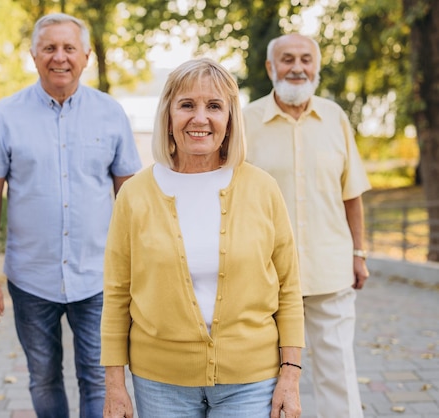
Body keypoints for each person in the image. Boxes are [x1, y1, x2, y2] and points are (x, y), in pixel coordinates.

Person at [101, 58, 305, 418]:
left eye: (214, 106)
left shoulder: (262, 188)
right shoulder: (134, 195)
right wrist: (115, 385)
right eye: (186, 105)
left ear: (230, 119)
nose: (200, 118)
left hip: (252, 380)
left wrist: (290, 373)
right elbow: (117, 293)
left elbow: (288, 287)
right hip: (160, 381)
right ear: (167, 116)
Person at [0, 13, 142, 418]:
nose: (59, 57)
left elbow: (132, 197)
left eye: (69, 48)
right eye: (49, 48)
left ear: (85, 56)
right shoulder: (6, 115)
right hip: (32, 279)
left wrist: (142, 270)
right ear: (34, 55)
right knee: (43, 378)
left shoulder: (111, 113)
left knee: (99, 379)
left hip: (99, 278)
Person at [243, 33, 372, 418]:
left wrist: (359, 253)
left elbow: (352, 194)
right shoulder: (245, 120)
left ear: (316, 67)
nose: (297, 67)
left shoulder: (335, 117)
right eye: (286, 59)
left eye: (305, 59)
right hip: (266, 276)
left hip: (330, 271)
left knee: (338, 375)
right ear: (270, 68)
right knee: (267, 379)